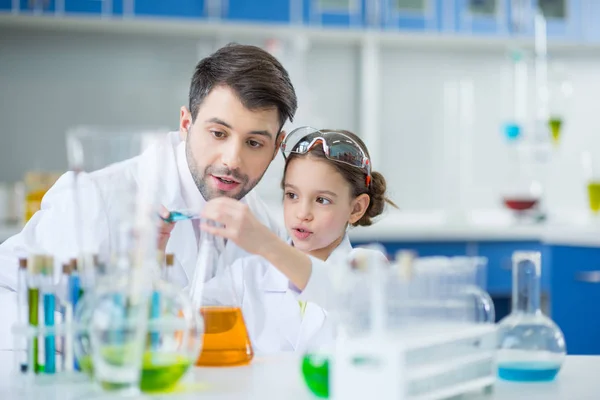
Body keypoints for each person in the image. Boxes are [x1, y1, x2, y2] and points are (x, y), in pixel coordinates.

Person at [0, 43, 300, 348]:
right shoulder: (97, 199)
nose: (232, 160)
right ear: (186, 124)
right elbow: (6, 288)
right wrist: (97, 338)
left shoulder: (262, 227)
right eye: (218, 134)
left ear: (276, 148)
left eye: (254, 143)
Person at [201, 127, 396, 354]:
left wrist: (266, 244)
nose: (302, 213)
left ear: (356, 208)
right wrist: (159, 242)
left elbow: (339, 290)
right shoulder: (248, 274)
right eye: (292, 195)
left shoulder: (367, 265)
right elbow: (179, 313)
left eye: (322, 200)